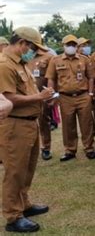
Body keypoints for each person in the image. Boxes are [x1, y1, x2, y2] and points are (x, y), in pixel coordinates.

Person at [0, 27, 54, 232]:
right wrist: (38, 98)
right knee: (15, 171)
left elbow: (26, 91)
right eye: (32, 47)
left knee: (27, 167)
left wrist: (43, 96)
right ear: (22, 43)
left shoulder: (21, 64)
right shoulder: (4, 65)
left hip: (29, 123)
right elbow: (9, 98)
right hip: (15, 124)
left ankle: (24, 204)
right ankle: (13, 216)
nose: (34, 52)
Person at [46, 34, 95, 161]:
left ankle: (89, 148)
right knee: (68, 125)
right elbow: (51, 79)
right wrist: (51, 95)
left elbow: (91, 77)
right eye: (68, 45)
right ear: (63, 46)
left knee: (87, 123)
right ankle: (70, 150)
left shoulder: (84, 59)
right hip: (65, 97)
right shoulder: (55, 60)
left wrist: (90, 94)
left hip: (83, 95)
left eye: (74, 45)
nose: (71, 47)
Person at [25, 34, 55, 161]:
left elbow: (52, 78)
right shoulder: (23, 57)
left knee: (44, 122)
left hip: (42, 96)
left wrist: (51, 95)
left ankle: (46, 148)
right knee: (26, 123)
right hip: (26, 96)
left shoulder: (48, 56)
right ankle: (27, 149)